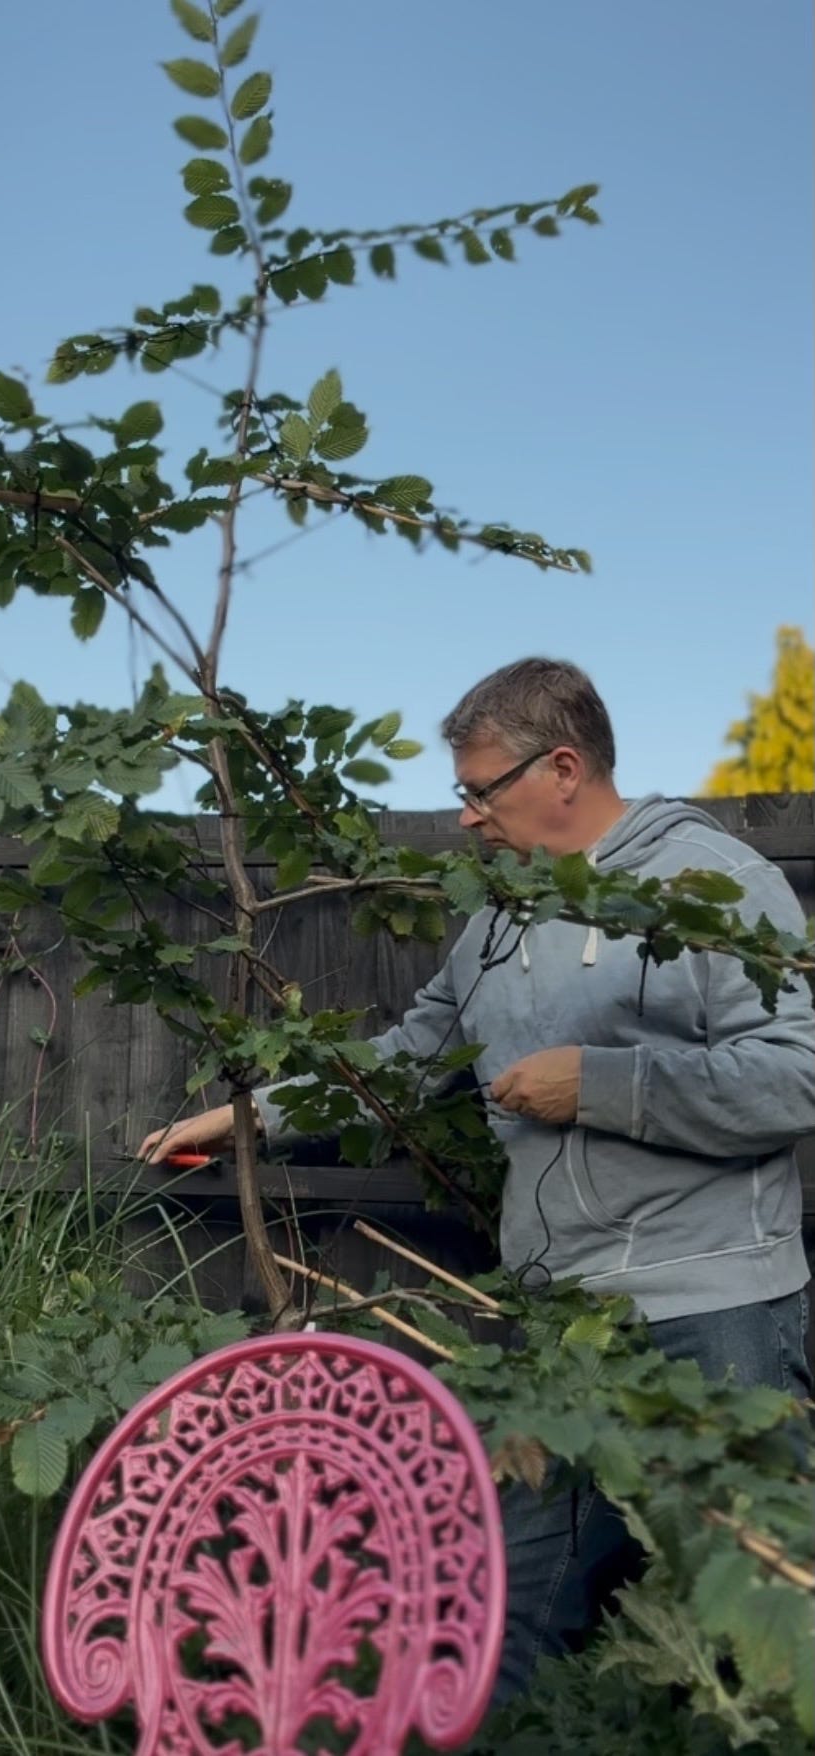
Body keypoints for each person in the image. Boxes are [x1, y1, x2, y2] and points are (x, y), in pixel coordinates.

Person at [136, 656, 815, 1701]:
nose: (465, 818)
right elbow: (409, 1055)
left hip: (715, 1314)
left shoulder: (711, 885)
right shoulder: (498, 917)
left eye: (480, 789)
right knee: (505, 1620)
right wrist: (247, 1117)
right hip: (562, 1331)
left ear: (562, 767)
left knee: (757, 1638)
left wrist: (599, 1083)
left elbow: (792, 1078)